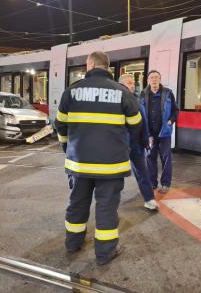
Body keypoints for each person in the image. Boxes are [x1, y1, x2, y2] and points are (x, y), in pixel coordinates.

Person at [54, 51, 142, 265]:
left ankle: (73, 244)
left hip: (79, 163)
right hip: (111, 165)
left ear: (90, 64)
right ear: (108, 67)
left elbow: (60, 125)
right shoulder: (122, 93)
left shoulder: (71, 92)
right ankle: (104, 254)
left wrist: (69, 149)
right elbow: (137, 126)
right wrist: (123, 146)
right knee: (106, 208)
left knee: (77, 203)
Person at [119, 74, 158, 210]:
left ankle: (149, 199)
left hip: (137, 144)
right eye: (129, 83)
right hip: (122, 144)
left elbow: (143, 121)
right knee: (116, 174)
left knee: (142, 172)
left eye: (133, 83)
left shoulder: (136, 99)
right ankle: (112, 201)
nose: (132, 85)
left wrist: (147, 138)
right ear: (121, 85)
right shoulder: (117, 101)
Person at [140, 70, 178, 194]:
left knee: (166, 158)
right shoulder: (143, 94)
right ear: (148, 81)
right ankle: (152, 183)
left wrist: (170, 121)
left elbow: (175, 111)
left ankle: (165, 184)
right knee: (150, 157)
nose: (154, 79)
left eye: (156, 77)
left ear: (160, 79)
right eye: (152, 77)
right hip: (149, 133)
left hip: (164, 132)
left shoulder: (168, 93)